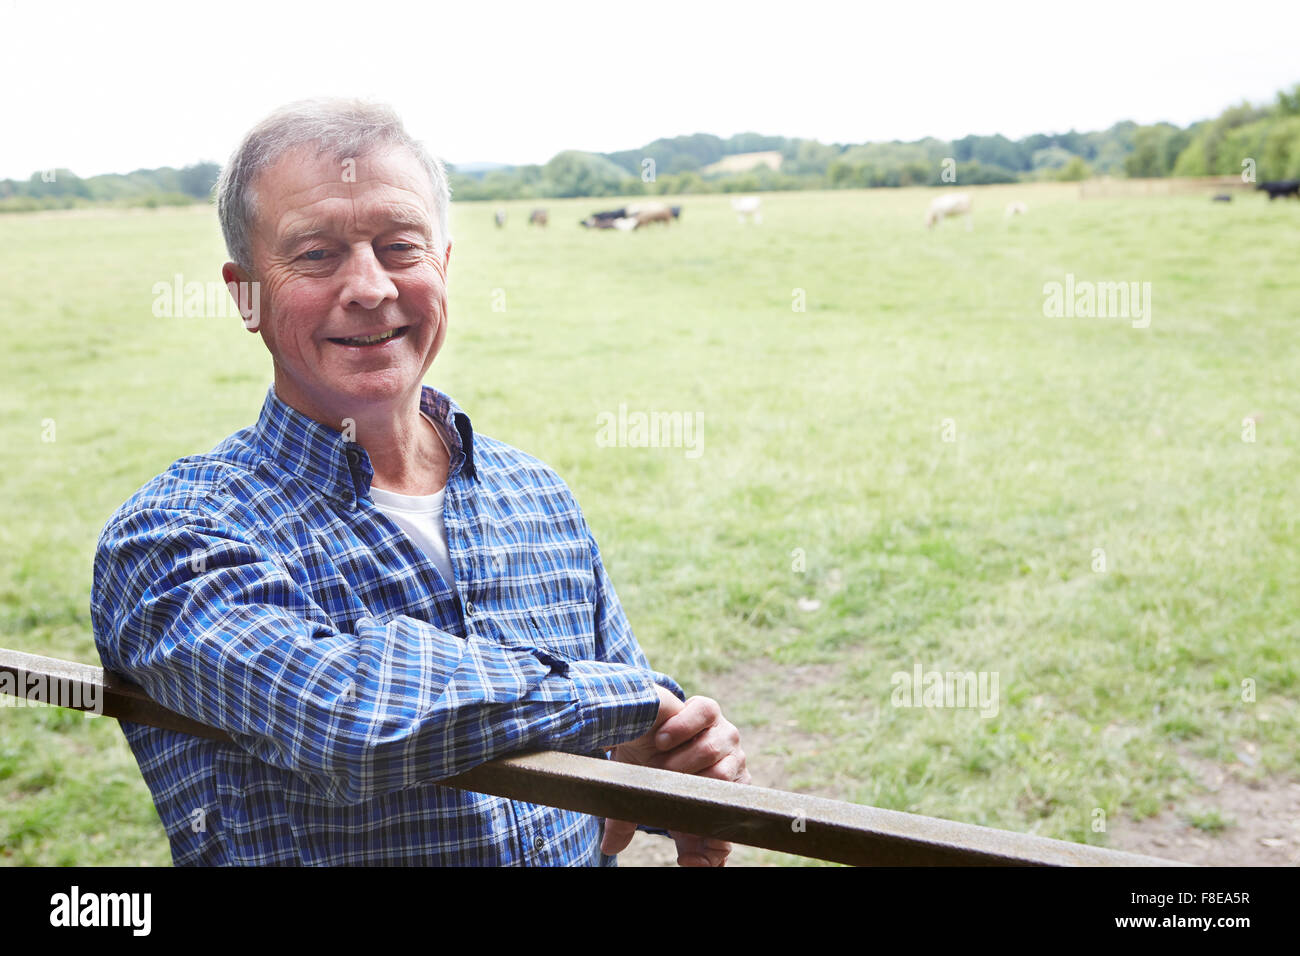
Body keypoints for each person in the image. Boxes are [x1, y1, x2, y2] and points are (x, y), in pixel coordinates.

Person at [90, 99, 747, 866]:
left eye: (400, 246)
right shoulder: (174, 537)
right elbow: (343, 718)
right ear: (246, 295)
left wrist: (680, 757)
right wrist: (627, 704)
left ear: (443, 266)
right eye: (316, 254)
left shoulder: (535, 496)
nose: (369, 287)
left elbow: (619, 746)